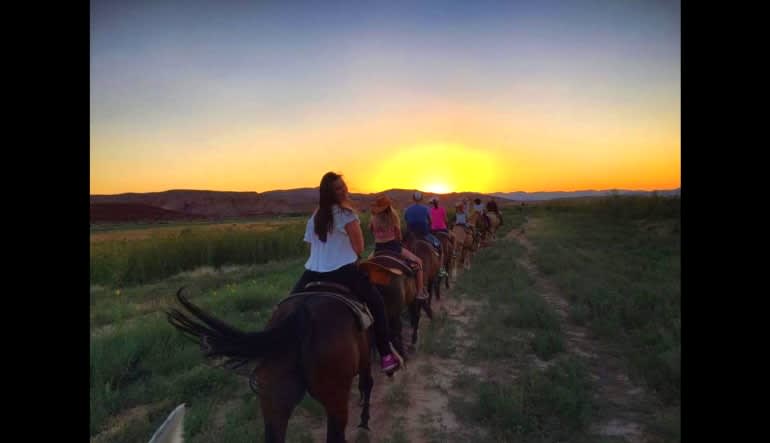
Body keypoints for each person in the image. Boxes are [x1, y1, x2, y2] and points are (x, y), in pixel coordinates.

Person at [291, 172, 401, 374]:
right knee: (376, 302)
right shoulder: (346, 214)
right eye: (339, 188)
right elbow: (359, 248)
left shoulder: (314, 217)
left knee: (289, 305)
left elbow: (311, 247)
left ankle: (282, 352)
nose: (344, 190)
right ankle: (385, 354)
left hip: (312, 272)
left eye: (343, 186)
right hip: (343, 271)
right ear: (331, 193)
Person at [369, 196, 429, 300]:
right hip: (394, 247)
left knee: (366, 267)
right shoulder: (393, 217)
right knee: (419, 262)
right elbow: (398, 235)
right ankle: (420, 291)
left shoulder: (373, 219)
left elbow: (371, 231)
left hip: (378, 249)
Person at [428, 197, 450, 278]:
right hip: (443, 229)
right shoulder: (442, 209)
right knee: (451, 240)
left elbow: (429, 221)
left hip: (433, 231)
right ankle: (453, 253)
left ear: (432, 204)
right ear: (438, 202)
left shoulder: (430, 210)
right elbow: (446, 220)